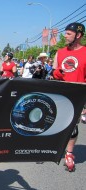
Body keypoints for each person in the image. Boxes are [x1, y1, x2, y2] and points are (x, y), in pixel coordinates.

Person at [52, 22, 86, 172]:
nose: (65, 36)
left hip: (77, 95)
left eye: (68, 34)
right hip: (60, 93)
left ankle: (69, 154)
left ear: (78, 35)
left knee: (72, 125)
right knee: (52, 122)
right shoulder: (60, 52)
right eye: (65, 33)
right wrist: (56, 73)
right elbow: (53, 72)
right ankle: (45, 149)